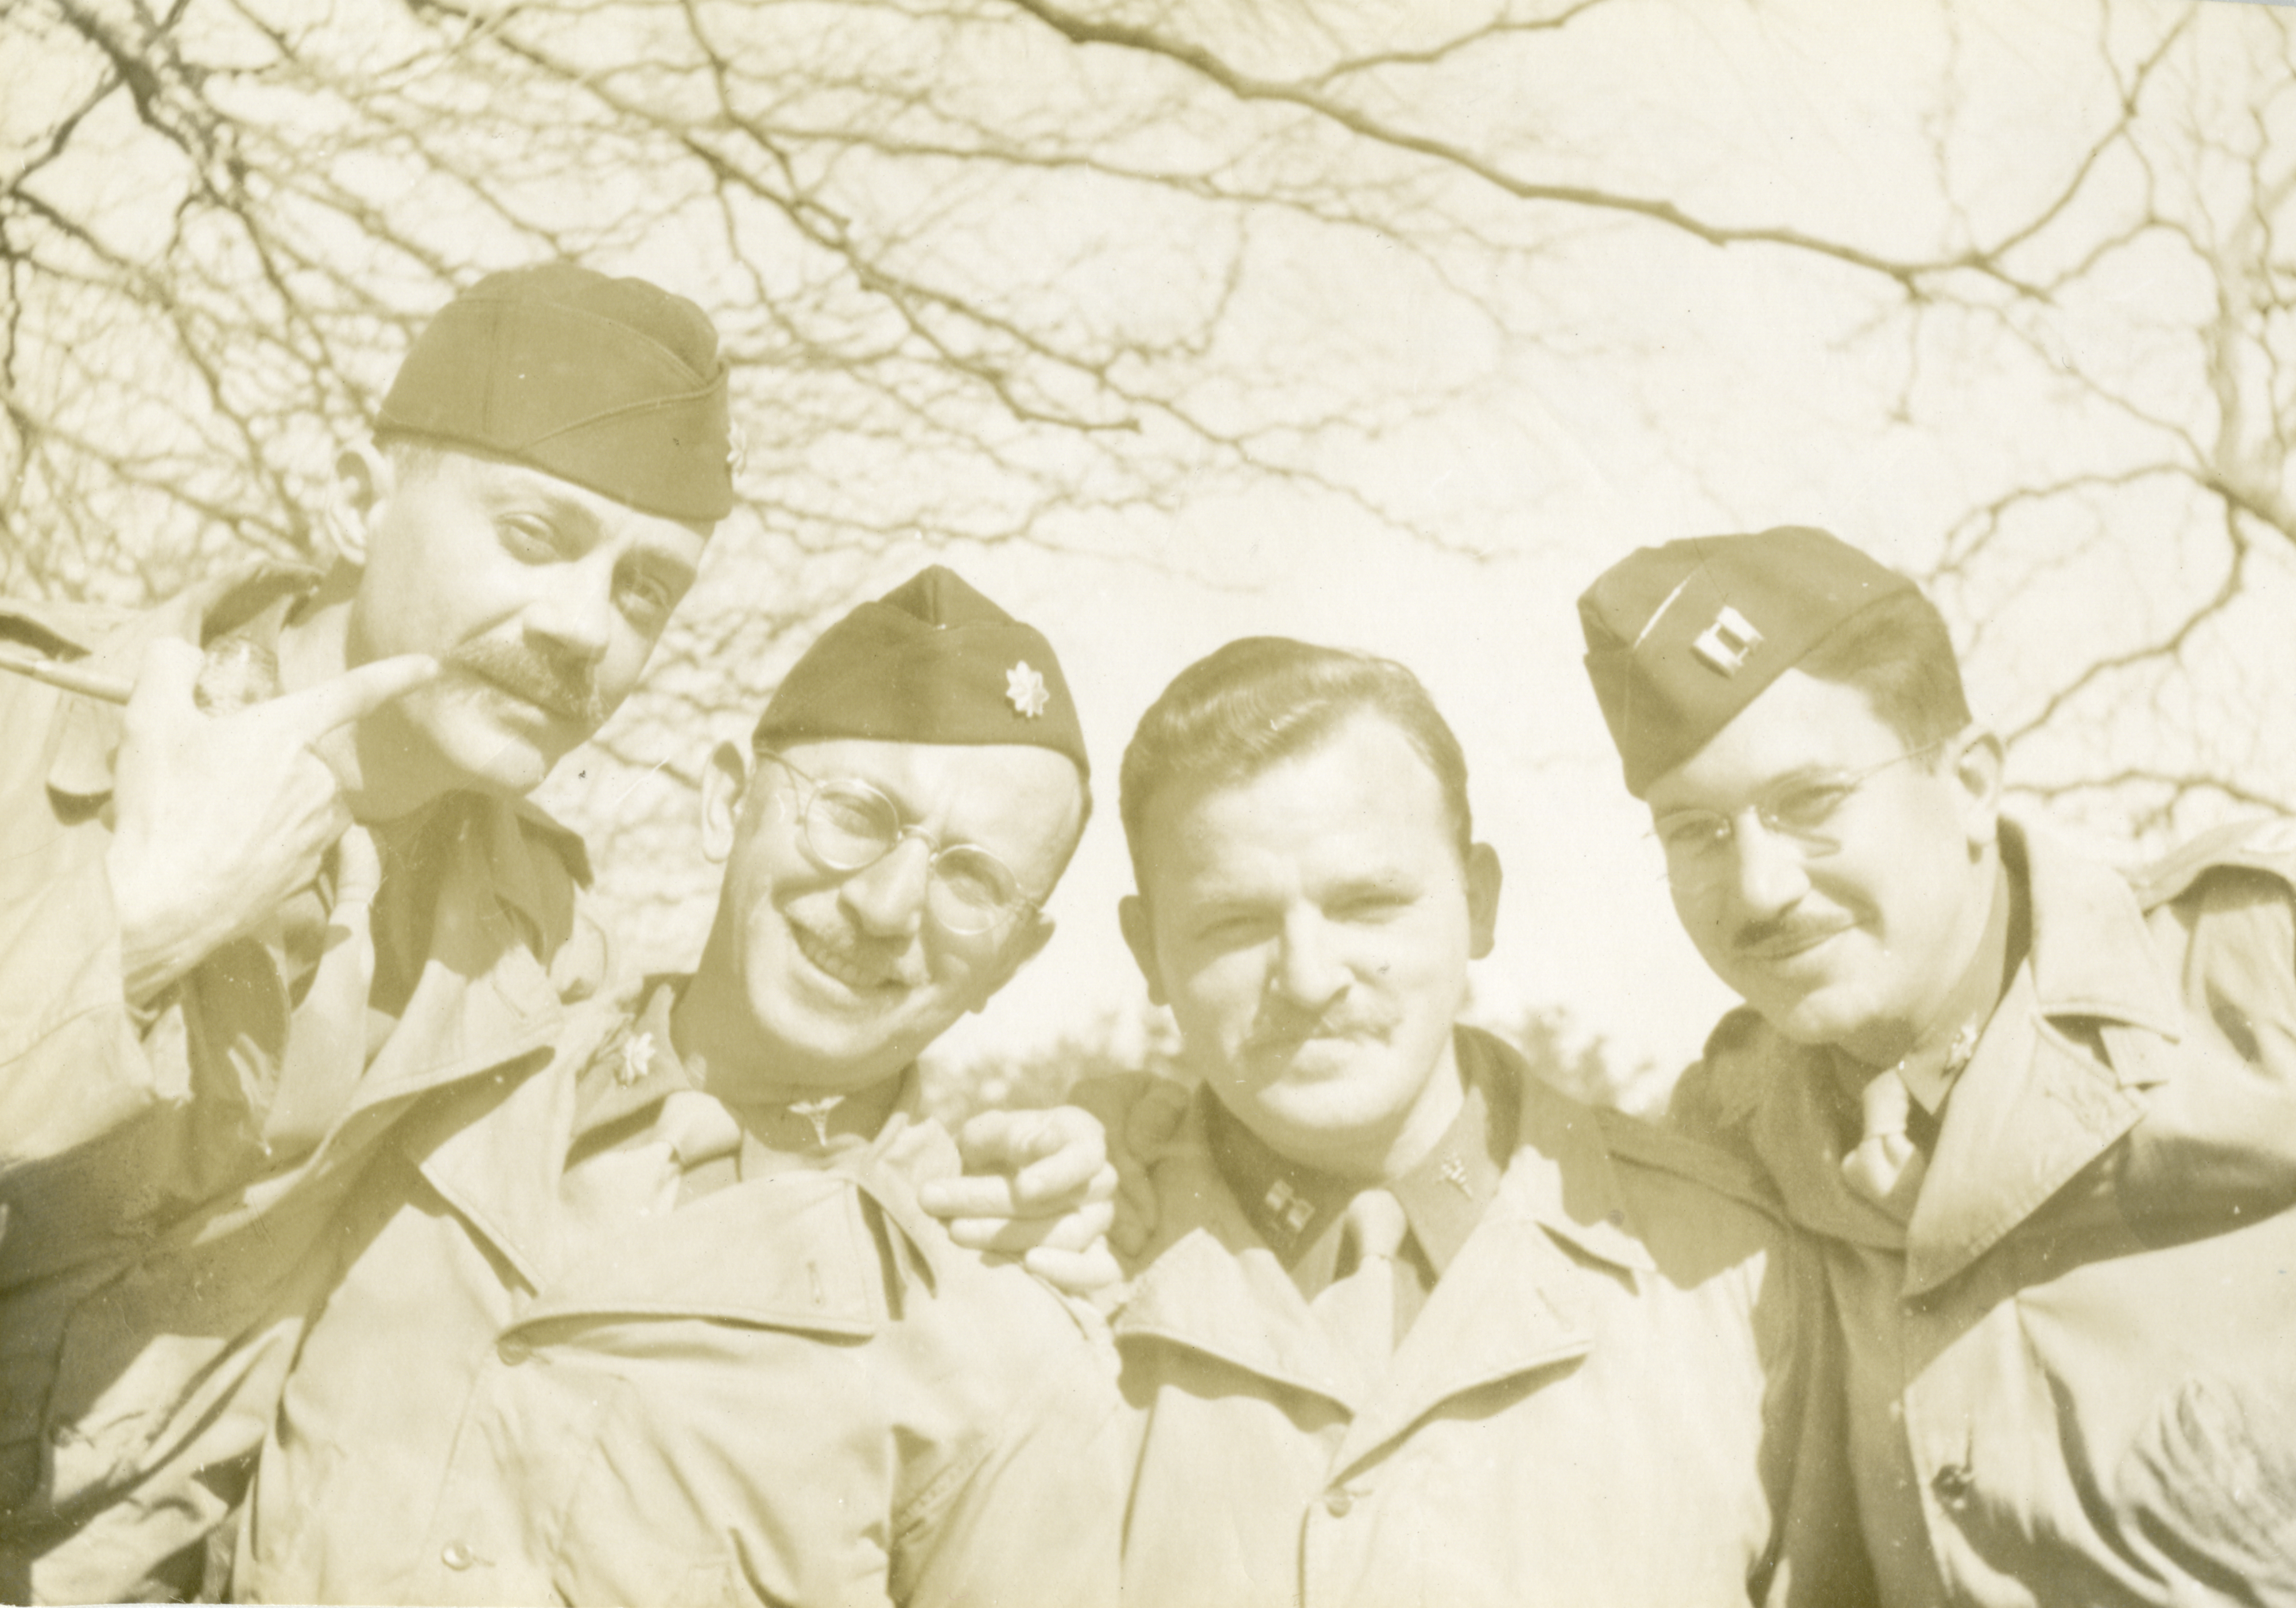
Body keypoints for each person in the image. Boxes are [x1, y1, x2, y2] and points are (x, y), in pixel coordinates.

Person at [0, 263, 735, 1600]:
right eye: (533, 533)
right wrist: (141, 928)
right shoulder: (25, 732)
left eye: (645, 591)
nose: (583, 626)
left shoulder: (546, 944)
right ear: (359, 497)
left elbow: (662, 1172)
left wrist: (947, 1185)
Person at [233, 566, 1127, 1607]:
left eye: (972, 881)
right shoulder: (438, 1072)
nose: (887, 905)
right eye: (855, 812)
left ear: (1014, 958)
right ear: (723, 802)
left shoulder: (1004, 1357)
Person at [1576, 526, 2296, 1607]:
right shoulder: (1731, 1131)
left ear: (1970, 782)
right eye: (1695, 831)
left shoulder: (2250, 973)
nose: (1760, 886)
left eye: (1810, 804)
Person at [1100, 636, 1870, 1606]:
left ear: (1479, 901)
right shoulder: (1059, 1283)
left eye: (1368, 903)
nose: (1306, 977)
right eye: (1234, 923)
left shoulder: (1734, 1275)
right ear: (1148, 951)